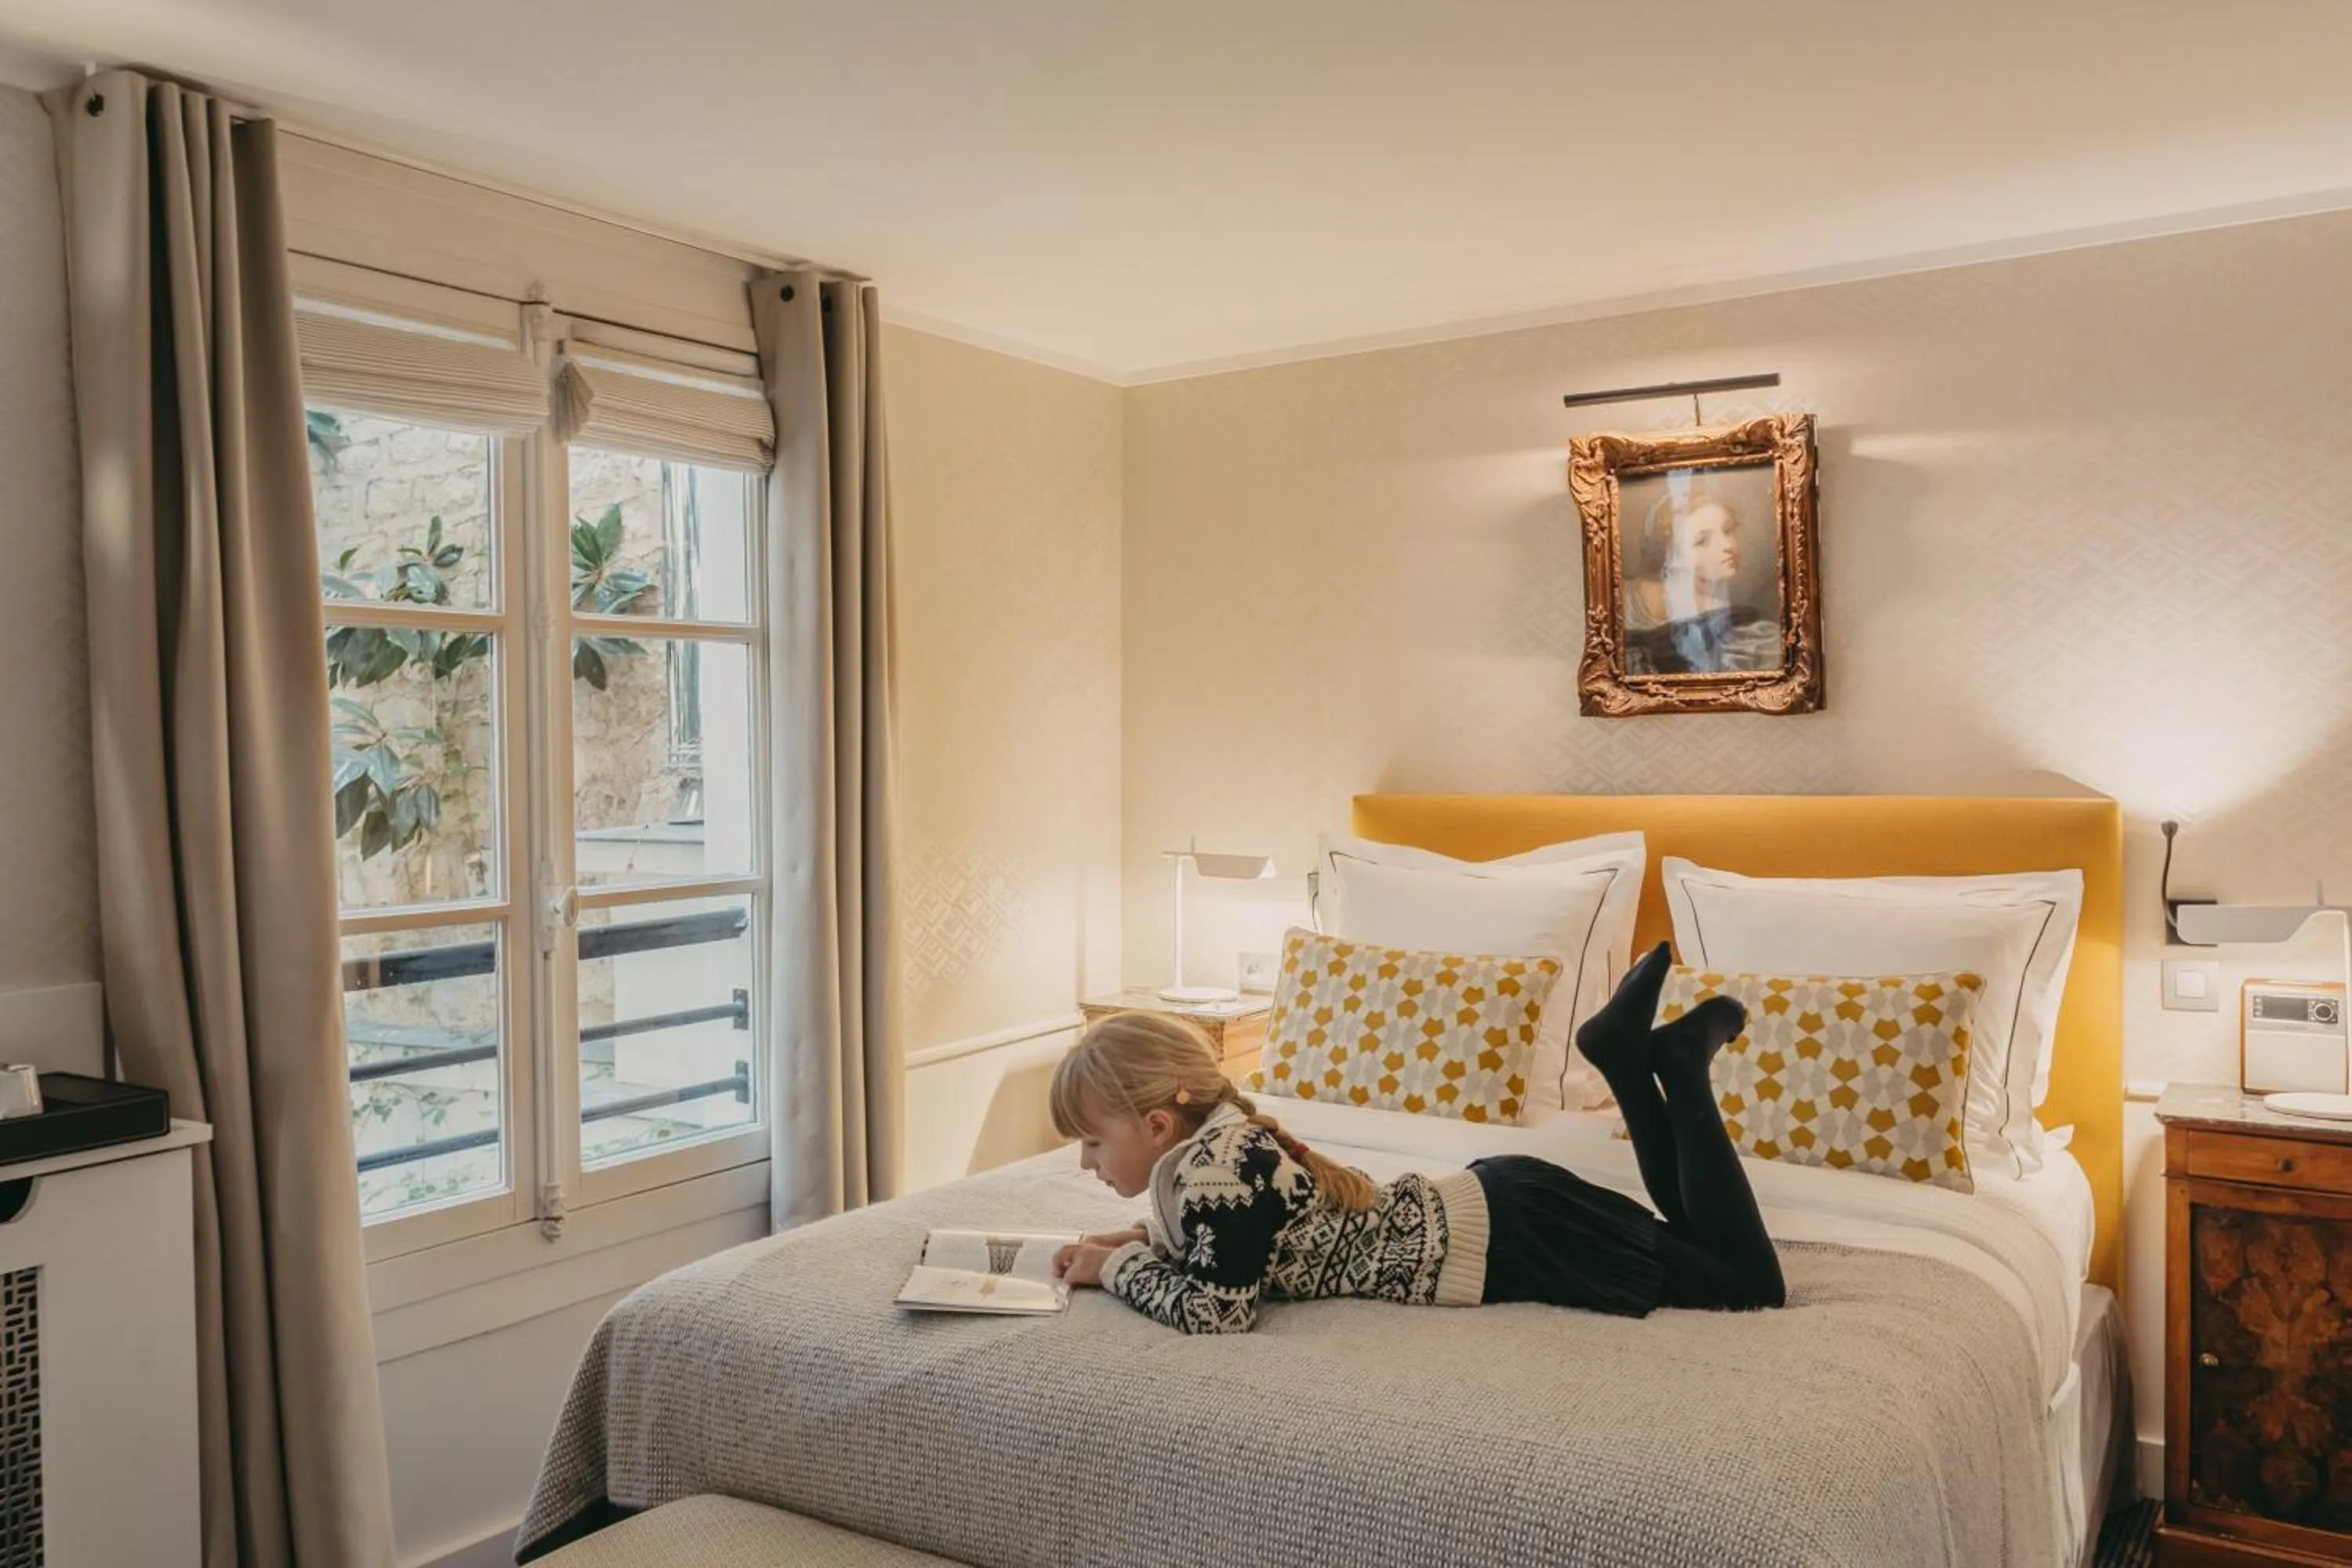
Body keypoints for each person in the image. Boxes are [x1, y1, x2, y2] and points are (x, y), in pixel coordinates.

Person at [1049, 942, 1784, 1334]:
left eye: (1092, 1142)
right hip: (1504, 1207)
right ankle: (1630, 1063)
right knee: (1699, 1242)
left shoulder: (1217, 1168)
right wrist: (1145, 1237)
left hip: (1512, 1236)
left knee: (1751, 1287)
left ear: (1156, 1126)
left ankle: (1679, 1067)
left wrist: (1107, 1269)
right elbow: (1233, 1237)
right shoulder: (1218, 1148)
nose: (1086, 1162)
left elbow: (1217, 1311)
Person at [1622, 488, 1780, 675]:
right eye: (1702, 542)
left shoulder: (1754, 637)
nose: (1728, 546)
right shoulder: (1627, 599)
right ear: (1671, 556)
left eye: (1728, 531)